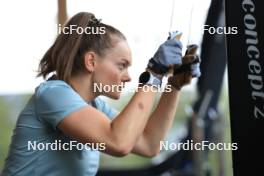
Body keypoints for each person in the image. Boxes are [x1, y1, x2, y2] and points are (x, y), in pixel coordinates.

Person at [1, 12, 200, 176]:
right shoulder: (53, 94)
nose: (128, 77)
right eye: (122, 66)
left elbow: (150, 144)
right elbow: (119, 142)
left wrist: (173, 86)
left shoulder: (95, 107)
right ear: (91, 62)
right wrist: (155, 73)